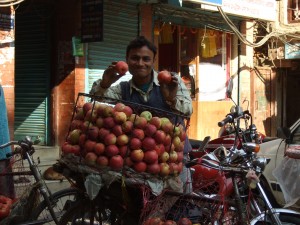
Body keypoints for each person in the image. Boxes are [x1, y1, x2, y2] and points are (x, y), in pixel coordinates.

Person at [90, 35, 193, 191]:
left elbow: (188, 110)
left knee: (179, 205)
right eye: (134, 58)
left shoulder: (171, 82)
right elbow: (95, 98)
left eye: (146, 59)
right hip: (139, 160)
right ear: (127, 60)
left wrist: (171, 99)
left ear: (153, 61)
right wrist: (105, 83)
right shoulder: (122, 89)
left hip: (173, 156)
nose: (140, 63)